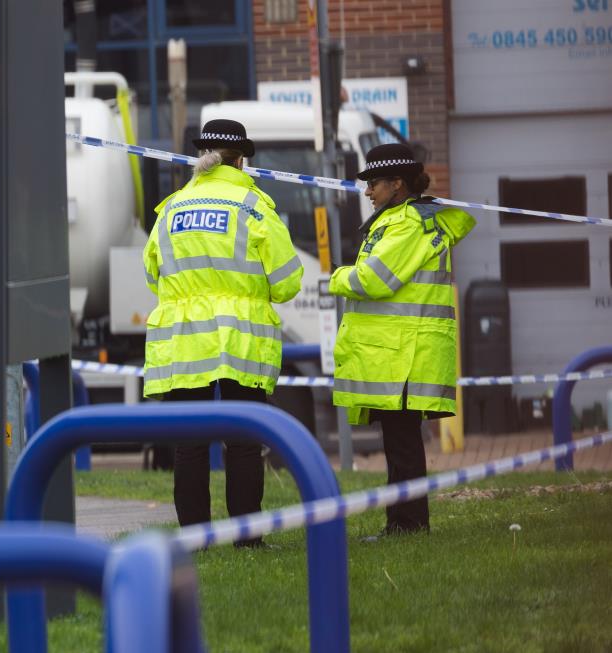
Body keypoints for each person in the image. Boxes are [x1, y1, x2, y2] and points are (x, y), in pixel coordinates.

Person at [142, 119, 303, 544]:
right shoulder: (254, 205)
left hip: (184, 338)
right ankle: (247, 536)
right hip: (240, 338)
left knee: (189, 443)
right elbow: (287, 282)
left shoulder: (171, 207)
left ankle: (195, 537)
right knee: (245, 440)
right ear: (241, 160)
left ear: (202, 158)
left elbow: (152, 273)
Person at [329, 143, 475, 535]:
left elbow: (374, 279)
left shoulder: (407, 224)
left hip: (405, 354)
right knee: (399, 443)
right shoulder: (400, 220)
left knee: (403, 446)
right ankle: (402, 524)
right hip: (400, 353)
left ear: (397, 184)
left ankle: (409, 525)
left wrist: (336, 277)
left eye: (373, 183)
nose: (367, 191)